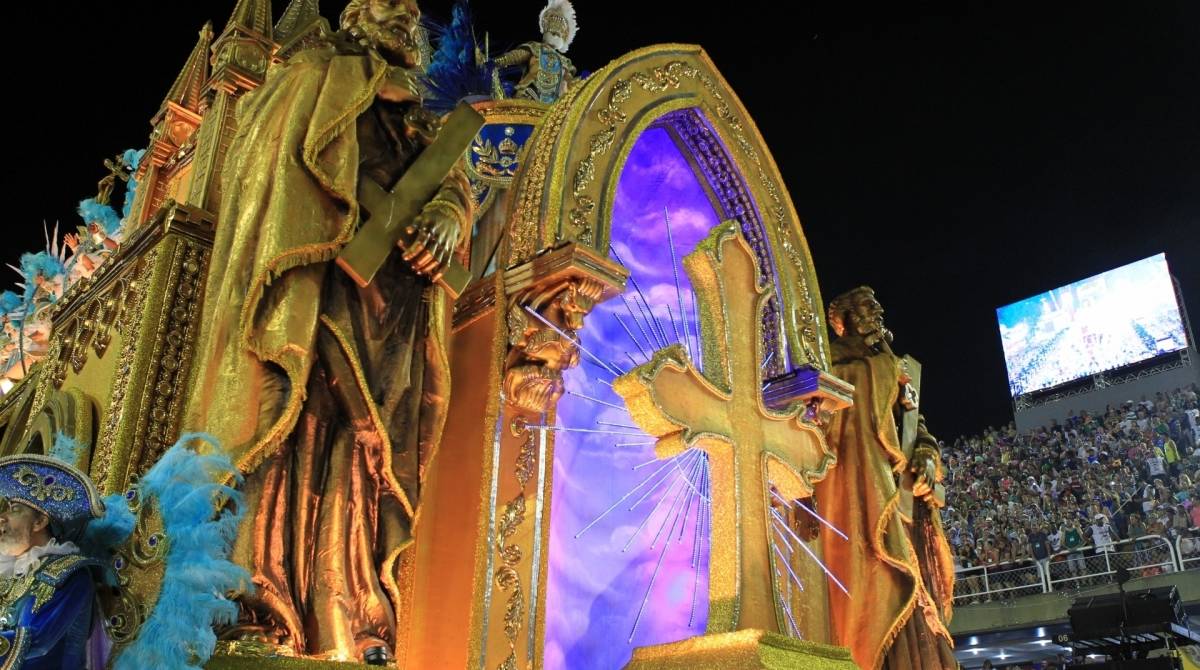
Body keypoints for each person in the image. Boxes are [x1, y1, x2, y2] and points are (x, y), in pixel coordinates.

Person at [182, 0, 475, 662]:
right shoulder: (316, 72)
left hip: (394, 310)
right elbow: (274, 160)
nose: (404, 18)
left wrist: (449, 218)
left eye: (410, 12)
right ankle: (259, 603)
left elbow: (452, 186)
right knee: (293, 424)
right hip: (318, 289)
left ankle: (352, 618)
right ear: (356, 16)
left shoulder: (426, 123)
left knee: (371, 450)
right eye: (388, 6)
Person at [816, 287, 956, 670]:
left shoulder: (892, 366)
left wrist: (926, 455)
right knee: (877, 584)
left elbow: (916, 425)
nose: (876, 314)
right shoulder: (831, 362)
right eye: (865, 308)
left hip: (901, 497)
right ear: (840, 320)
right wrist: (884, 372)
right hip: (857, 493)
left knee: (916, 596)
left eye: (877, 307)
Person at [0, 454, 107, 669]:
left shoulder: (68, 573)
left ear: (40, 521)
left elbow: (36, 639)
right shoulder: (10, 576)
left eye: (14, 510)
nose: (1, 517)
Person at [492, 0, 578, 103]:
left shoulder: (564, 61)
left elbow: (570, 82)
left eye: (558, 34)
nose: (554, 35)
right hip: (530, 94)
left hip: (554, 104)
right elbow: (515, 56)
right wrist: (496, 62)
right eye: (552, 32)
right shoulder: (535, 47)